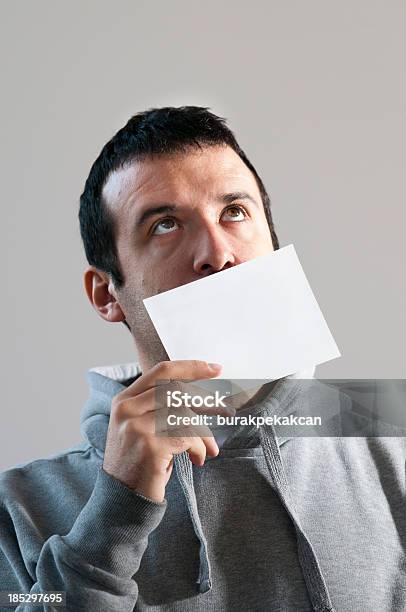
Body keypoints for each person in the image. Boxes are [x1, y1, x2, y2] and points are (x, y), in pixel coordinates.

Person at [0, 106, 405, 612]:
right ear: (106, 293)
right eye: (165, 225)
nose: (217, 253)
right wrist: (113, 518)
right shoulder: (19, 506)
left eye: (234, 212)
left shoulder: (395, 447)